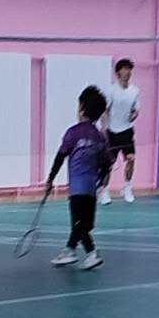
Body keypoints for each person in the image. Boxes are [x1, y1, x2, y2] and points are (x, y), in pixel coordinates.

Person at [45, 86, 109, 271]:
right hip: (91, 188)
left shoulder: (73, 132)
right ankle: (70, 250)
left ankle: (91, 253)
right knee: (84, 223)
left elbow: (60, 156)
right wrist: (100, 180)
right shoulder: (99, 137)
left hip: (77, 188)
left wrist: (50, 179)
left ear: (81, 107)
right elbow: (106, 163)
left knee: (79, 224)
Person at [100, 59, 141, 204]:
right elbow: (105, 111)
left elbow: (136, 110)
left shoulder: (135, 91)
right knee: (109, 164)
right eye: (124, 69)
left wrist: (134, 115)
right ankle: (104, 191)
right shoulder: (111, 91)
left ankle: (127, 187)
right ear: (118, 73)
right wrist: (104, 129)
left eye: (129, 69)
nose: (127, 72)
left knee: (131, 159)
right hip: (112, 132)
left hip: (127, 131)